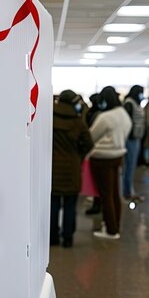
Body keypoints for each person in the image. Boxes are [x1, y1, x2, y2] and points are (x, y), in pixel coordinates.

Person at [51, 90, 94, 248]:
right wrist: (78, 155)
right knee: (70, 204)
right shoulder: (78, 121)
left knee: (53, 203)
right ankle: (67, 238)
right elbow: (89, 143)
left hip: (53, 168)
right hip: (72, 168)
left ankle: (52, 237)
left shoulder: (49, 118)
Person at [89, 86, 132, 239]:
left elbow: (92, 136)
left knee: (105, 195)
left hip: (102, 158)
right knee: (115, 193)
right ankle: (115, 225)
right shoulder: (124, 114)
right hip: (118, 155)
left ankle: (111, 230)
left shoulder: (106, 117)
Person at [122, 85, 145, 199]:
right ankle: (127, 191)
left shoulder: (136, 103)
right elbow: (127, 121)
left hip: (136, 138)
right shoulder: (129, 103)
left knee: (132, 165)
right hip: (130, 139)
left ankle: (129, 190)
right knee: (129, 166)